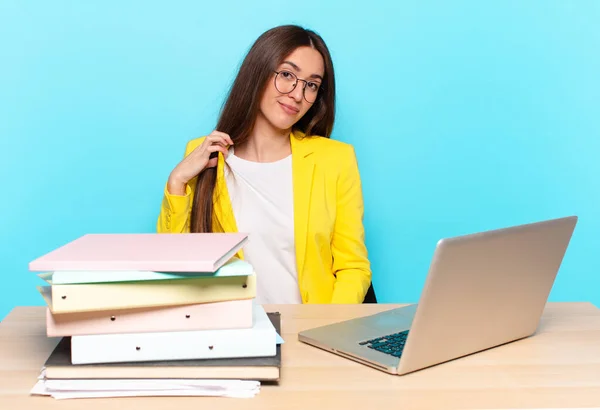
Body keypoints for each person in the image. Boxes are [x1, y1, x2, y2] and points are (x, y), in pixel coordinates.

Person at [156, 24, 372, 304]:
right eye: (286, 75)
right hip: (233, 334)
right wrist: (177, 182)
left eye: (311, 85)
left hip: (310, 334)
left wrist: (324, 329)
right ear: (258, 72)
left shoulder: (334, 160)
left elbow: (352, 266)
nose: (297, 94)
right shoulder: (205, 155)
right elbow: (176, 267)